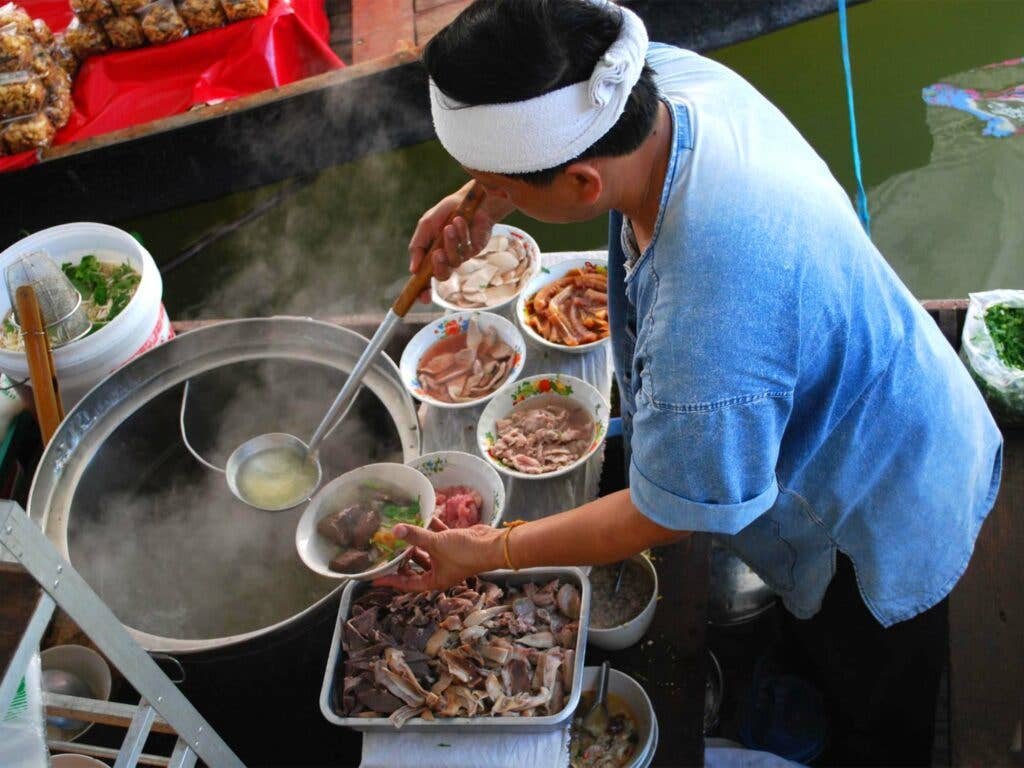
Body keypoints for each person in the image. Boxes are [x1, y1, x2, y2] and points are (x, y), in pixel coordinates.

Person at [377, 1, 1003, 763]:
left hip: (885, 496)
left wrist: (491, 549)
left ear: (579, 182)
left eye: (492, 178)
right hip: (870, 381)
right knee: (813, 641)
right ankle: (806, 673)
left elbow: (663, 512)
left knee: (877, 689)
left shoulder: (708, 308)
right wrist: (481, 199)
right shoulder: (649, 79)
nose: (481, 192)